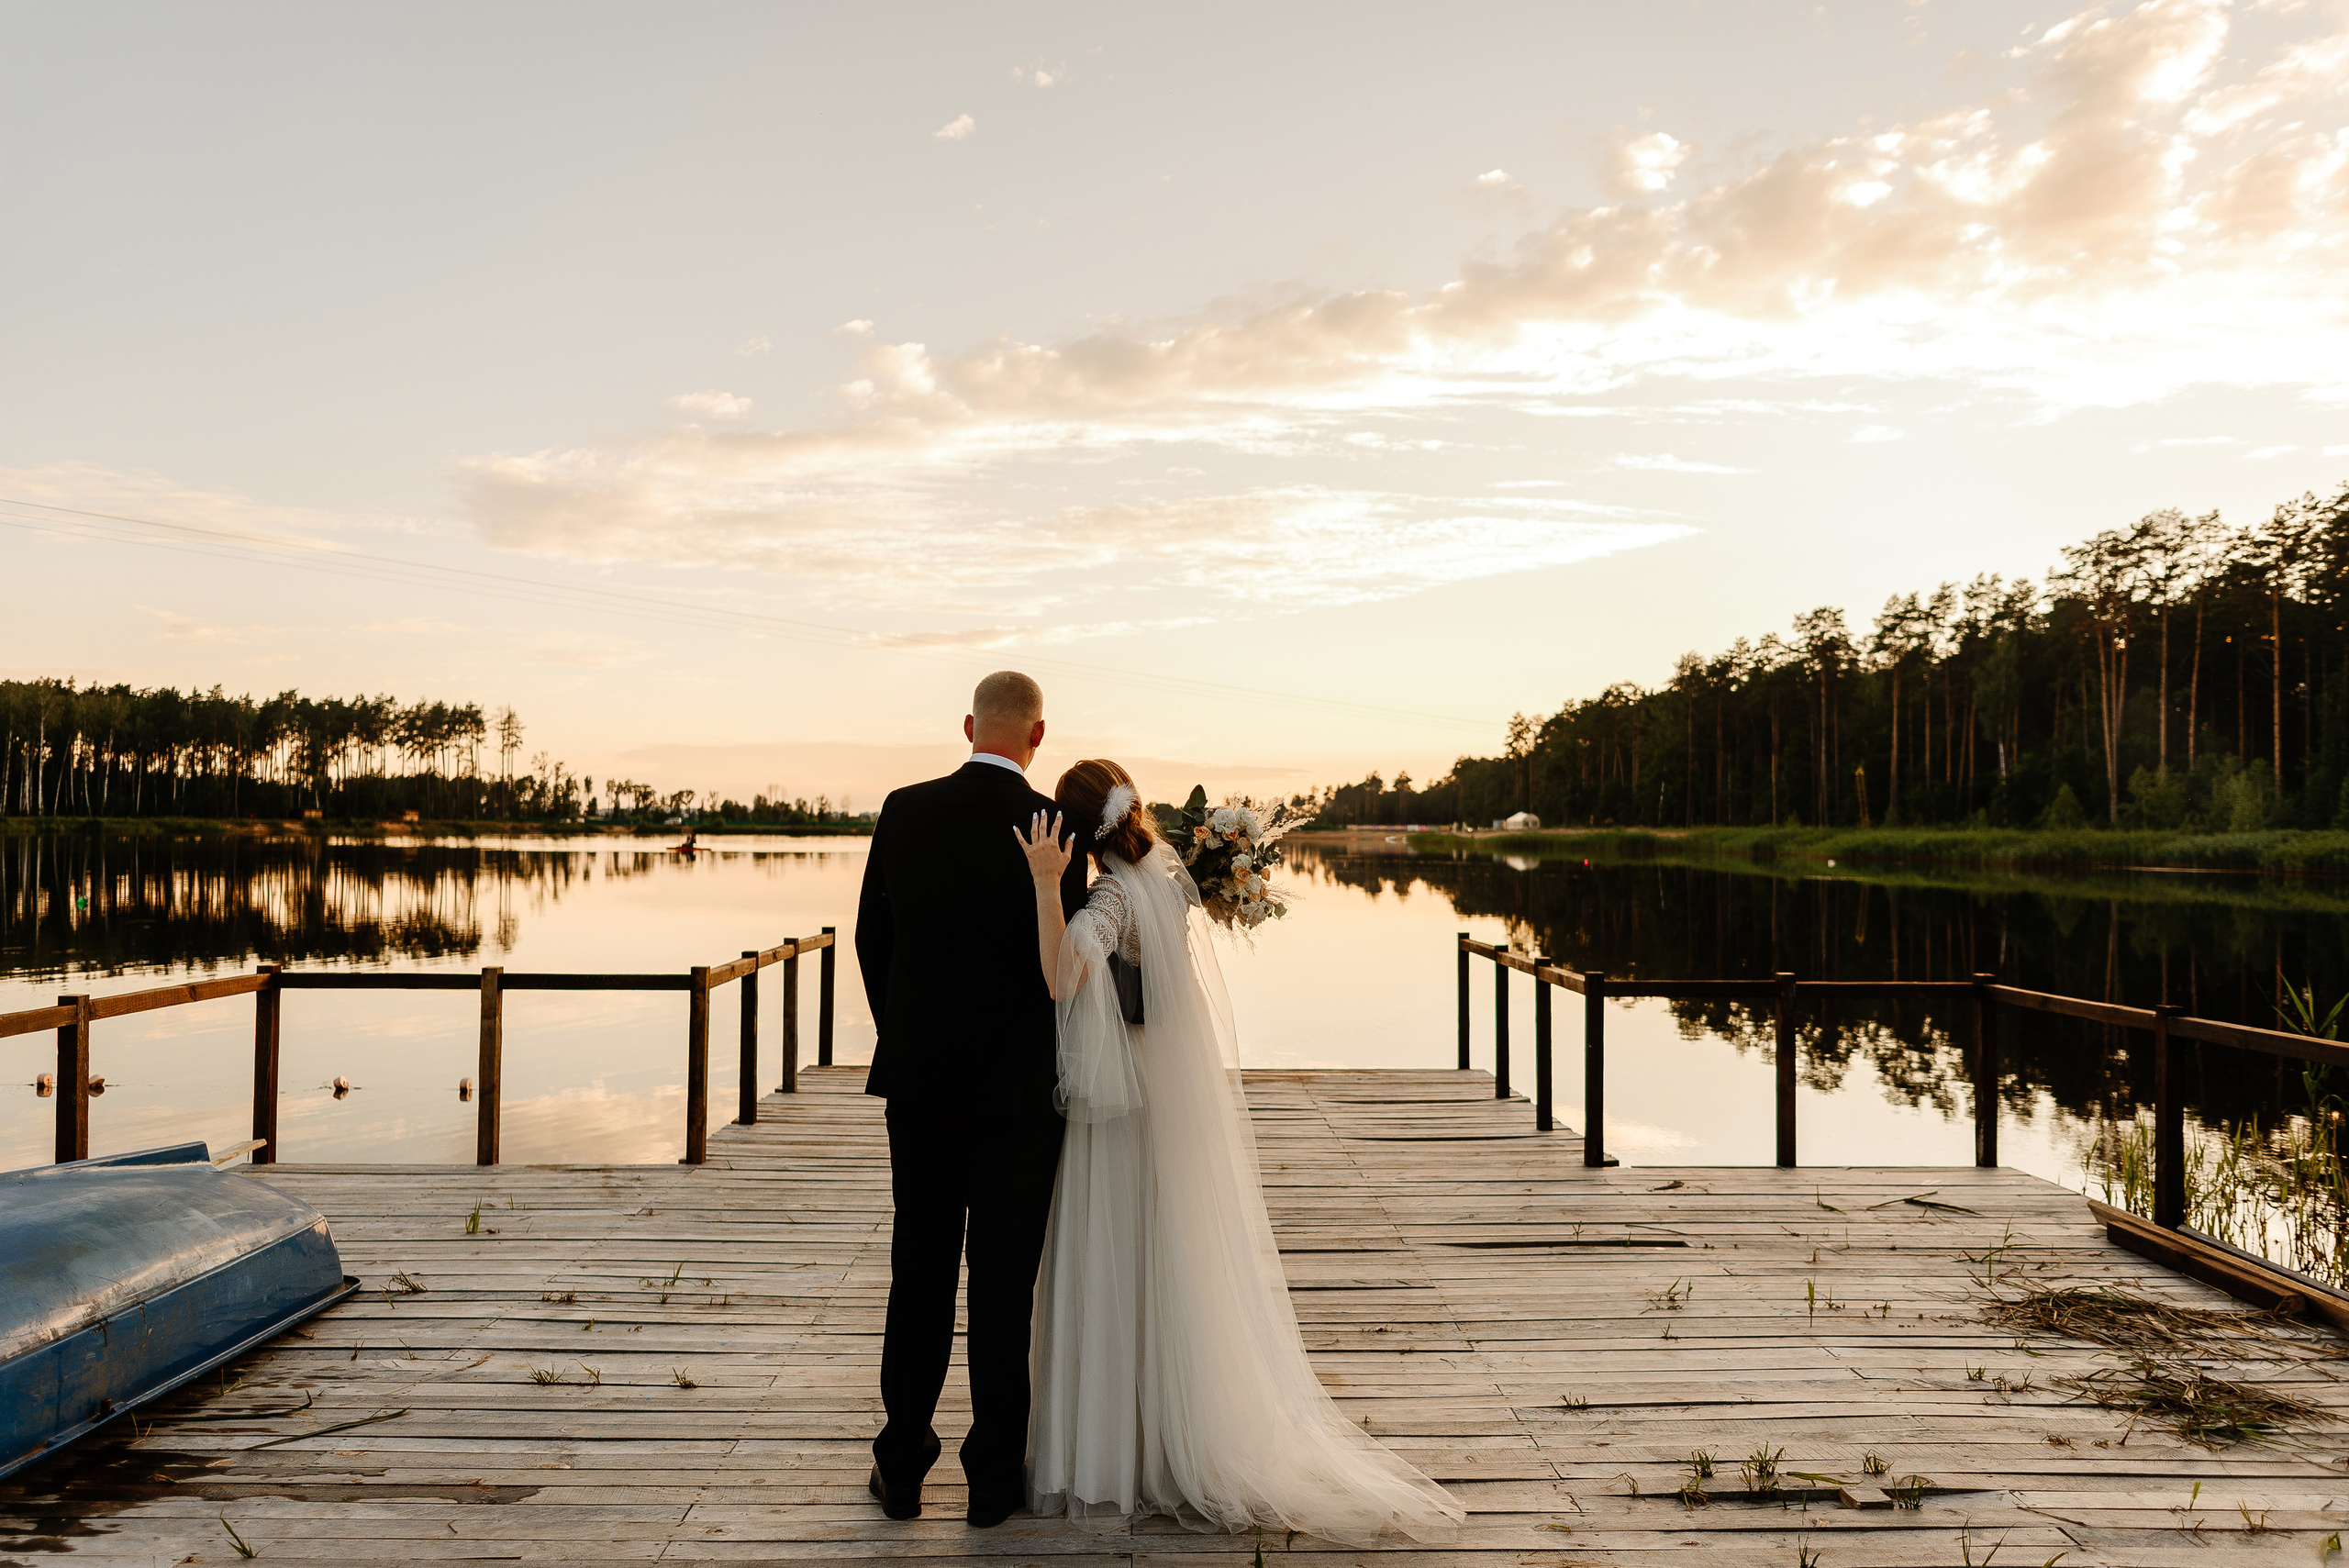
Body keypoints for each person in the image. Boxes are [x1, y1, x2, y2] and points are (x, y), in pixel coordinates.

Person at [1012, 761, 1464, 1545]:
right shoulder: (1162, 873)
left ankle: (1116, 1455)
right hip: (1161, 1092)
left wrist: (1047, 884)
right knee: (1164, 1257)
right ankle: (1160, 1434)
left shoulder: (1109, 897)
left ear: (1078, 830)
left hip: (1120, 1113)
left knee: (1116, 1258)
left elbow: (1061, 979)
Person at [855, 672, 1087, 1527]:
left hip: (918, 1082)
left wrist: (907, 1034)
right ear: (1036, 736)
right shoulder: (1055, 826)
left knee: (917, 1269)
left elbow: (872, 938)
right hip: (1020, 1094)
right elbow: (1062, 974)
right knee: (1001, 1278)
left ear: (967, 726)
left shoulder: (902, 809)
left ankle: (904, 1461)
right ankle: (992, 1476)